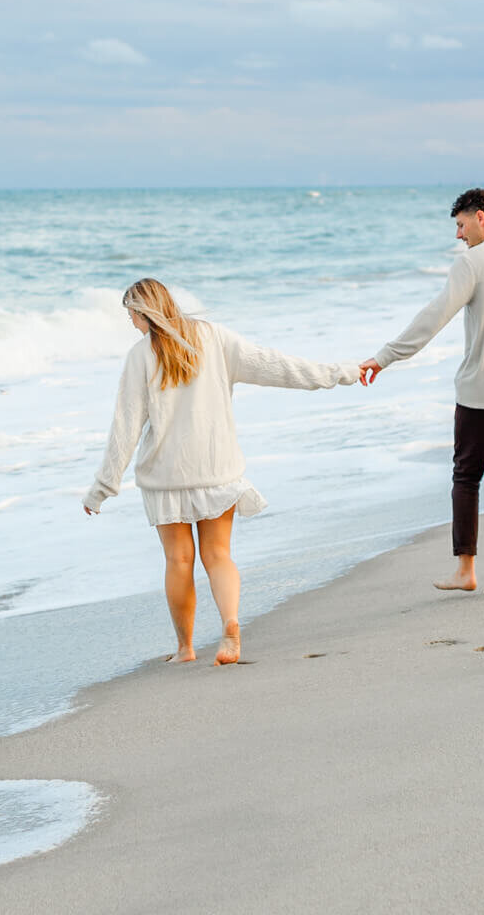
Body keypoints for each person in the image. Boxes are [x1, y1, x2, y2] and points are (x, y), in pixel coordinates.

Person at [85, 278, 359, 664]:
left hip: (166, 477)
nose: (131, 322)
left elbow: (125, 428)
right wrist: (341, 372)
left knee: (179, 561)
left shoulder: (140, 356)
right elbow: (277, 366)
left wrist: (102, 488)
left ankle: (185, 649)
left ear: (143, 311)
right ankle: (231, 626)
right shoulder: (214, 338)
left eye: (131, 314)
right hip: (217, 469)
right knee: (218, 556)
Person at [358, 188, 484, 595]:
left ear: (482, 218)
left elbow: (433, 318)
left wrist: (384, 357)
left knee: (466, 476)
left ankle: (466, 570)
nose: (459, 235)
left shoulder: (472, 263)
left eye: (461, 224)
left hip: (481, 392)